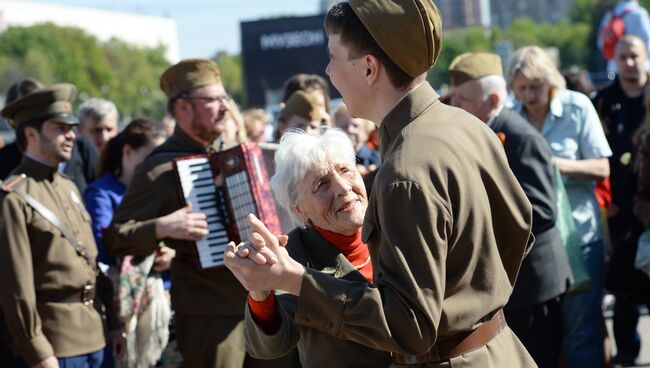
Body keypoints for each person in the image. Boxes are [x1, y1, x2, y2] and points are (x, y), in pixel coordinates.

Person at [225, 2, 536, 367]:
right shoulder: (466, 126)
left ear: (368, 68)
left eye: (333, 57)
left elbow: (410, 329)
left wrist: (296, 280)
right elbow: (521, 229)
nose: (328, 72)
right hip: (500, 350)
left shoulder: (404, 170)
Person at [104, 59, 296, 368]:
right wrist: (161, 228)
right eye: (212, 100)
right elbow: (116, 237)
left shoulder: (236, 154)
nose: (224, 107)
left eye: (225, 99)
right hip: (209, 316)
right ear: (183, 108)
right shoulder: (158, 168)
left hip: (265, 304)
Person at [449, 52, 573, 368]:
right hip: (518, 283)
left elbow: (542, 211)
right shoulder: (488, 131)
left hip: (534, 285)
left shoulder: (520, 138)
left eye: (463, 99)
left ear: (491, 100)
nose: (455, 106)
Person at [243, 128, 390, 367]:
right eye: (322, 184)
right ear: (299, 209)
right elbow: (270, 345)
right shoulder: (293, 256)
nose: (343, 187)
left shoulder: (395, 227)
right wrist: (259, 291)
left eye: (346, 171)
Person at [0, 84, 124, 368]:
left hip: (97, 334)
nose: (72, 135)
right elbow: (16, 288)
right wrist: (37, 351)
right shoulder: (14, 196)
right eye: (60, 128)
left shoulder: (68, 186)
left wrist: (114, 323)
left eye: (72, 127)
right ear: (31, 134)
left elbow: (91, 264)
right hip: (56, 344)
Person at [507, 45, 612, 368]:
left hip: (579, 238)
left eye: (535, 87)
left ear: (550, 80)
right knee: (546, 337)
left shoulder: (577, 107)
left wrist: (554, 165)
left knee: (582, 332)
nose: (529, 95)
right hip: (537, 247)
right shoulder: (511, 120)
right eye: (521, 88)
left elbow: (602, 168)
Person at [84, 118, 170, 368]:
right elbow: (103, 245)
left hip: (162, 302)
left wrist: (170, 256)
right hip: (120, 305)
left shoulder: (157, 189)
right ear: (128, 151)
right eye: (151, 156)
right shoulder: (100, 192)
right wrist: (153, 249)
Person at [595, 35, 650, 365]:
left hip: (647, 200)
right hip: (619, 207)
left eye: (635, 55)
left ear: (644, 56)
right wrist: (604, 200)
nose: (629, 62)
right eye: (623, 57)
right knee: (625, 284)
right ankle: (627, 353)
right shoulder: (604, 100)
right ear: (614, 60)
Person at [598, 0, 650, 73]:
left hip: (614, 68)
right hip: (638, 69)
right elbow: (647, 41)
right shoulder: (640, 13)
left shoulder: (609, 16)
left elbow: (601, 43)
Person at [334, 103, 381, 175]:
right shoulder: (332, 160)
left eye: (355, 126)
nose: (350, 130)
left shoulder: (377, 159)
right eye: (345, 126)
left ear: (366, 131)